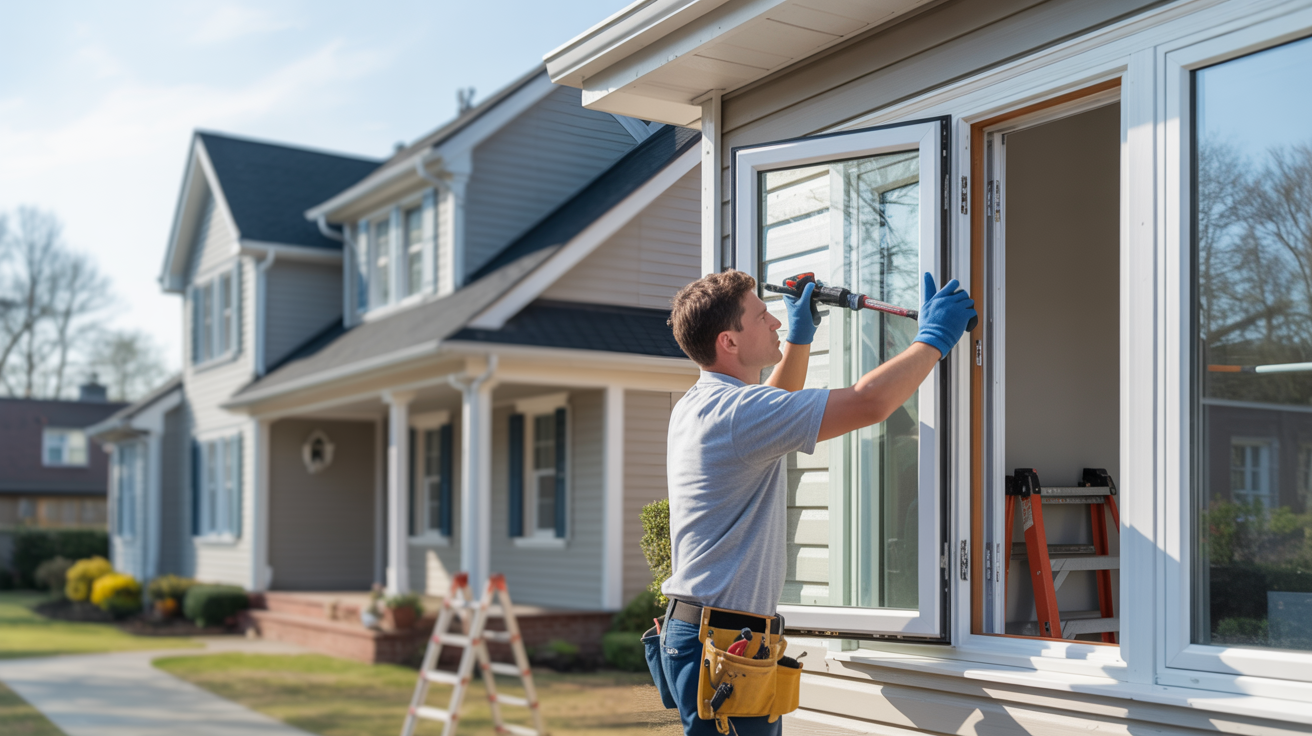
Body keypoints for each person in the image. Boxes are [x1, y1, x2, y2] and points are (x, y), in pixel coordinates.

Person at [656, 269, 976, 735]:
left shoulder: (705, 403)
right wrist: (933, 339)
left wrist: (799, 340)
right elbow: (869, 403)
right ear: (729, 341)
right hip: (723, 642)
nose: (776, 322)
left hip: (710, 633)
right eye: (762, 317)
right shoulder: (736, 414)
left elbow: (773, 405)